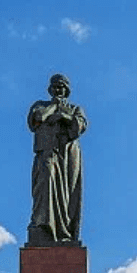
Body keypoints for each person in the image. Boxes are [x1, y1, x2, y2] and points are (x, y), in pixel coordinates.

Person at [27, 73, 87, 245]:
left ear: (67, 90)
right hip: (47, 153)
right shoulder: (40, 105)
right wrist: (54, 107)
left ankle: (64, 231)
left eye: (61, 87)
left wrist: (63, 116)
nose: (57, 90)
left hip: (68, 155)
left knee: (68, 194)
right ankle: (42, 225)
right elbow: (38, 118)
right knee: (45, 182)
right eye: (54, 86)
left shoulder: (75, 109)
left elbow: (79, 126)